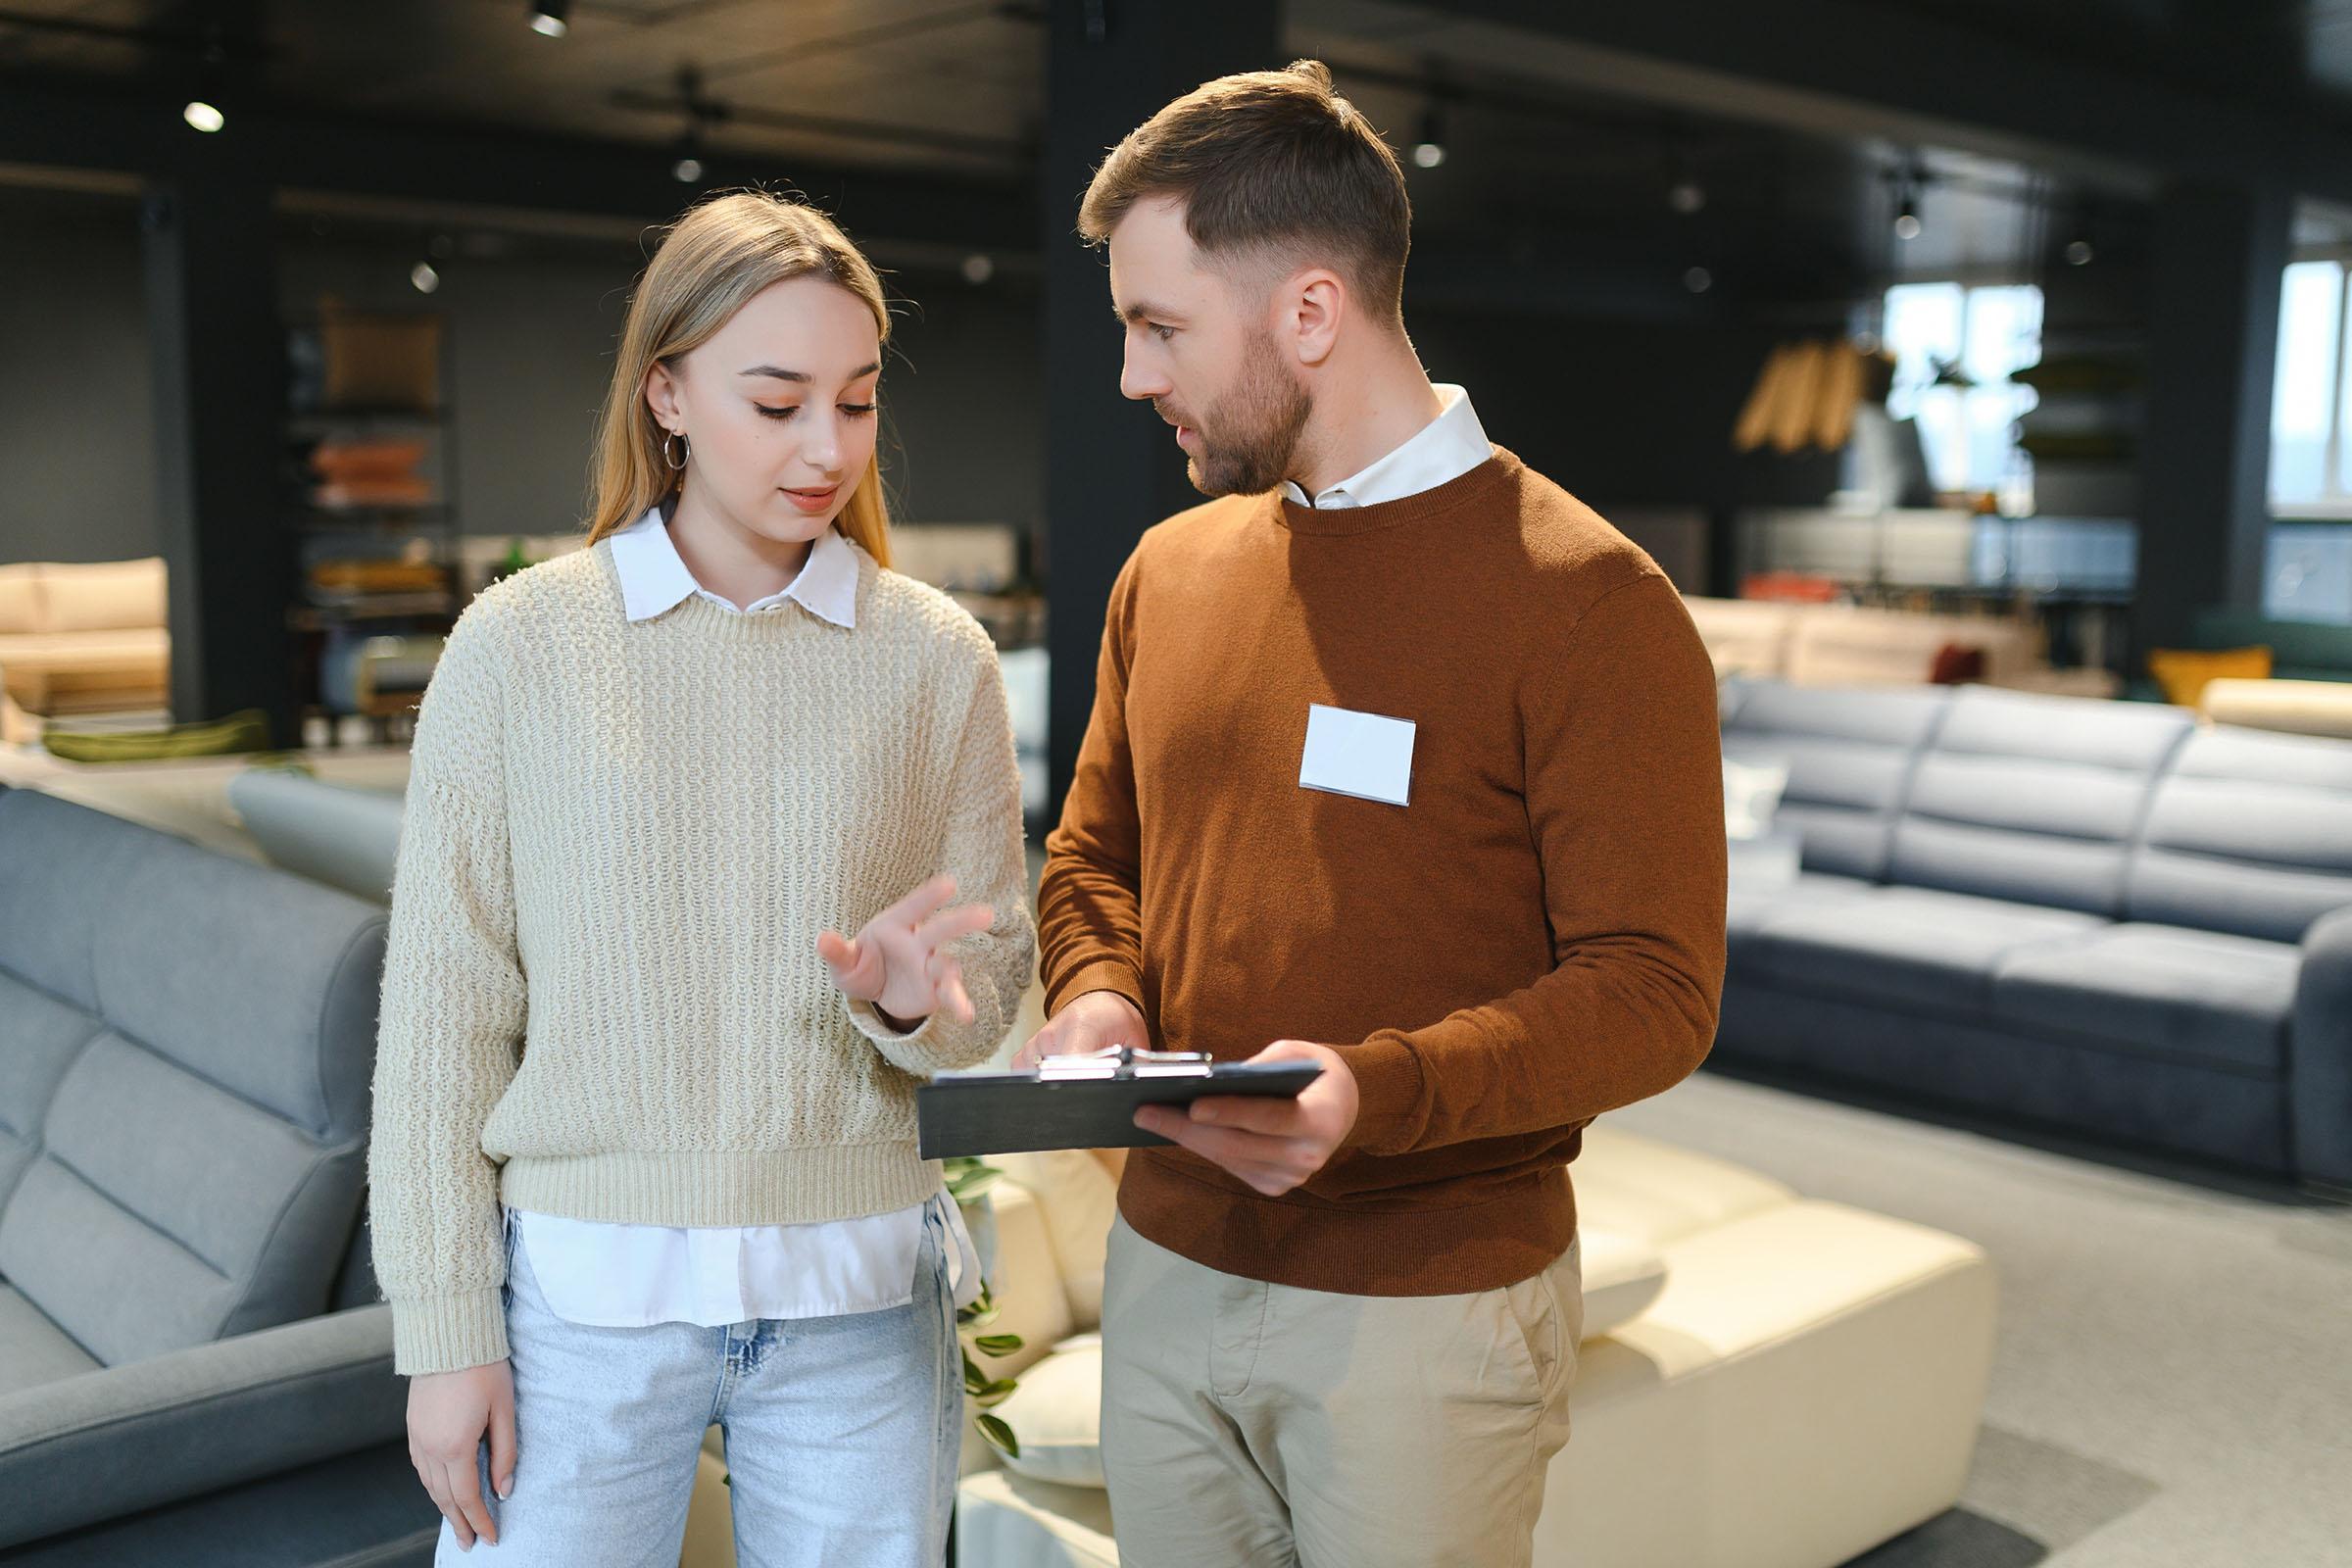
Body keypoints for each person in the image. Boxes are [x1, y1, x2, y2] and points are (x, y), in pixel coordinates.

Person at [1018, 61, 1728, 1567]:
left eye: (1159, 327)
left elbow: (1656, 995)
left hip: (1430, 1315)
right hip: (1166, 1262)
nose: (1136, 376)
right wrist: (1093, 997)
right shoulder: (1172, 571)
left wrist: (1372, 1096)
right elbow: (1093, 859)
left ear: (1311, 314)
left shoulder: (1591, 603)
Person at [368, 190, 1035, 1567]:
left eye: (854, 404)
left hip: (859, 1308)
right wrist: (443, 1336)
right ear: (665, 392)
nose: (825, 447)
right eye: (777, 401)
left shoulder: (936, 656)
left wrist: (919, 1008)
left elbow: (998, 986)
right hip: (577, 1309)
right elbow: (441, 1020)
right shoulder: (518, 648)